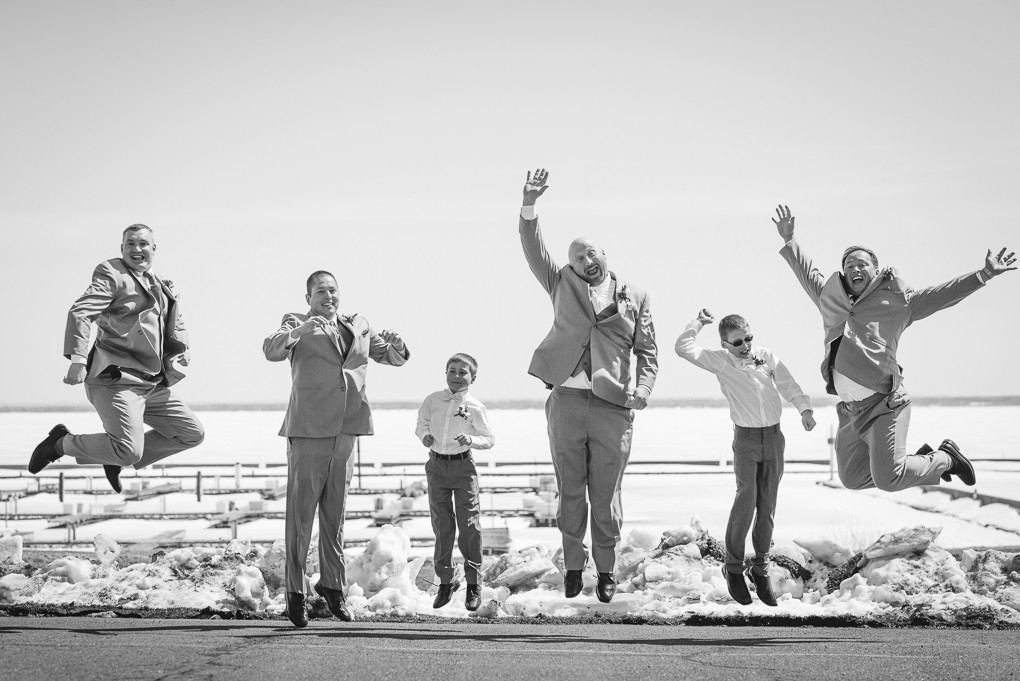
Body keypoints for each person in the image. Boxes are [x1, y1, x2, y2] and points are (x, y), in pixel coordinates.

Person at [773, 204, 1016, 492]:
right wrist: (789, 240)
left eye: (862, 264)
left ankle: (945, 459)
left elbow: (941, 296)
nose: (855, 269)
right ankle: (910, 463)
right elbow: (806, 271)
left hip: (885, 404)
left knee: (888, 479)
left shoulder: (898, 301)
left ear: (875, 270)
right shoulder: (830, 298)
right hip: (851, 411)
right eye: (849, 265)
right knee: (851, 479)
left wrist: (983, 275)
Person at [519, 168, 658, 604]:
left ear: (604, 255)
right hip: (565, 400)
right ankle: (574, 568)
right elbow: (533, 248)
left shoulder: (635, 295)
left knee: (606, 492)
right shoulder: (560, 283)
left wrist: (643, 391)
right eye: (577, 257)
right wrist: (529, 205)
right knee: (570, 488)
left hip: (612, 405)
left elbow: (648, 352)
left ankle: (607, 569)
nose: (585, 261)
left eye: (591, 254)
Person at [263, 270, 409, 628]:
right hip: (309, 429)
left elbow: (394, 357)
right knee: (300, 518)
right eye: (320, 291)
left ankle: (332, 586)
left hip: (347, 428)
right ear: (308, 296)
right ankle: (295, 595)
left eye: (332, 290)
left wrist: (397, 343)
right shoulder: (296, 323)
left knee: (335, 515)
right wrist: (299, 330)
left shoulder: (358, 324)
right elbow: (271, 349)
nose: (327, 295)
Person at [29, 224, 205, 493]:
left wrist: (184, 347)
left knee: (192, 434)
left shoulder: (159, 283)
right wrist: (77, 358)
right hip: (116, 379)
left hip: (152, 383)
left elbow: (175, 319)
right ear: (121, 249)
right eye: (130, 244)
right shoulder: (112, 274)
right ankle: (60, 443)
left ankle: (114, 456)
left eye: (143, 244)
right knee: (128, 451)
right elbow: (80, 312)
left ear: (153, 249)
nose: (137, 249)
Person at [676, 309, 815, 606]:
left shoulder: (766, 356)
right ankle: (734, 567)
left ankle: (760, 567)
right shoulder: (721, 361)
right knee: (746, 500)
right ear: (726, 344)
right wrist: (698, 323)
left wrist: (804, 409)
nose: (745, 346)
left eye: (748, 338)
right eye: (738, 342)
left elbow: (788, 384)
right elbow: (683, 348)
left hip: (774, 438)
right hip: (747, 440)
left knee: (767, 505)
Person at [415, 353, 495, 612]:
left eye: (463, 372)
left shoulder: (475, 407)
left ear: (473, 377)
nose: (457, 376)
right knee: (442, 524)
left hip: (463, 466)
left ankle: (473, 583)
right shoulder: (432, 400)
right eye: (452, 371)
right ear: (445, 373)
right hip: (437, 465)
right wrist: (425, 435)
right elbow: (421, 423)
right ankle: (445, 582)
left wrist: (471, 440)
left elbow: (489, 438)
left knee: (469, 524)